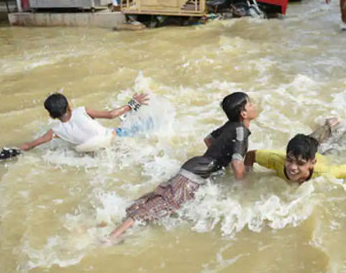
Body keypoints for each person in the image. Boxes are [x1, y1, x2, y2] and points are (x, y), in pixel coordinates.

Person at [106, 92, 258, 243]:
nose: (254, 105)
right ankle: (111, 237)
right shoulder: (241, 131)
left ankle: (110, 221)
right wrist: (243, 188)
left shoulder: (230, 125)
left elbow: (209, 139)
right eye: (250, 104)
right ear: (244, 113)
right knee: (163, 204)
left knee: (158, 197)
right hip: (193, 175)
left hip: (193, 167)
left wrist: (216, 160)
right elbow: (237, 163)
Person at [0, 92, 150, 160]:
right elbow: (111, 115)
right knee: (145, 127)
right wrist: (132, 103)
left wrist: (10, 152)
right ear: (69, 106)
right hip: (113, 137)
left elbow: (31, 145)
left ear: (51, 115)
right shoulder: (82, 111)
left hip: (92, 150)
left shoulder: (56, 131)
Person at [244, 118, 346, 183]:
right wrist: (248, 176)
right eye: (289, 160)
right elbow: (251, 156)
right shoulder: (276, 159)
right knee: (310, 140)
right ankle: (330, 125)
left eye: (300, 164)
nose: (292, 167)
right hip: (305, 152)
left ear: (312, 163)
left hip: (325, 158)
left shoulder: (323, 173)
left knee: (339, 146)